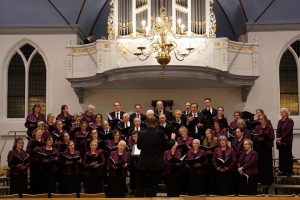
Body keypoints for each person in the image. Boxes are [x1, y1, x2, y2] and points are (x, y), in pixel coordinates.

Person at [135, 117, 176, 197]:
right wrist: (172, 139)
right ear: (156, 123)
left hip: (143, 163)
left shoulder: (140, 133)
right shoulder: (159, 133)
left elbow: (139, 147)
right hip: (156, 164)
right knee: (153, 185)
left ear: (146, 123)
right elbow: (167, 146)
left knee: (141, 184)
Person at [252, 114, 274, 186]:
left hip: (267, 149)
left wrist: (265, 137)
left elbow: (272, 137)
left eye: (262, 119)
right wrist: (258, 137)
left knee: (267, 165)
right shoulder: (257, 127)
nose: (260, 120)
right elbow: (254, 137)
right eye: (259, 119)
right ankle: (260, 180)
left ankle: (268, 181)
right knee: (260, 164)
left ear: (265, 119)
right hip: (259, 148)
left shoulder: (269, 127)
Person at [26, 128, 45, 194]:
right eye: (39, 132)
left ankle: (40, 194)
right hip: (34, 162)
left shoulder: (43, 141)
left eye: (41, 132)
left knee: (41, 179)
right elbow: (27, 150)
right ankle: (33, 194)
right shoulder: (31, 140)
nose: (40, 133)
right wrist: (35, 149)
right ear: (35, 133)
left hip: (41, 162)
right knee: (34, 179)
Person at [276, 107, 294, 176]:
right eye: (281, 112)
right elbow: (277, 130)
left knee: (288, 156)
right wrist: (278, 138)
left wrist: (281, 138)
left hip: (287, 140)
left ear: (286, 113)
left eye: (282, 112)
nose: (281, 113)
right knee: (282, 156)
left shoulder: (290, 121)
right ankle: (282, 170)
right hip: (280, 141)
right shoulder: (280, 121)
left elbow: (288, 131)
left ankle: (289, 171)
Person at [201, 128, 218, 194]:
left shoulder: (216, 140)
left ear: (211, 133)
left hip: (213, 159)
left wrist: (212, 151)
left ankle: (213, 191)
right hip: (206, 159)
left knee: (212, 175)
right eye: (206, 134)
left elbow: (217, 150)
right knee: (207, 175)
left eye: (208, 133)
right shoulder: (204, 141)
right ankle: (207, 191)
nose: (207, 135)